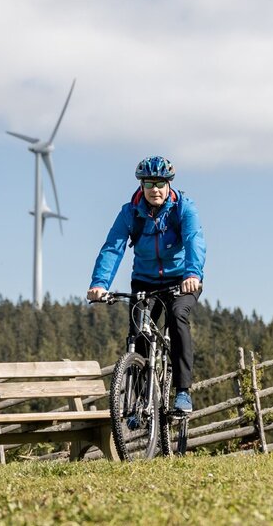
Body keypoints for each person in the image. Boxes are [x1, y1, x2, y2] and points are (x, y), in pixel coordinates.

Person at [87, 156, 206, 413]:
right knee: (139, 331)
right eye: (149, 183)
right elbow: (112, 248)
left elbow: (194, 240)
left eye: (160, 183)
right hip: (145, 281)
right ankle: (140, 399)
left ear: (169, 185)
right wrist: (99, 283)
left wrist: (192, 275)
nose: (155, 189)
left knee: (177, 317)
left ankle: (183, 392)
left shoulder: (183, 208)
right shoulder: (130, 213)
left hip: (181, 280)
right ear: (141, 186)